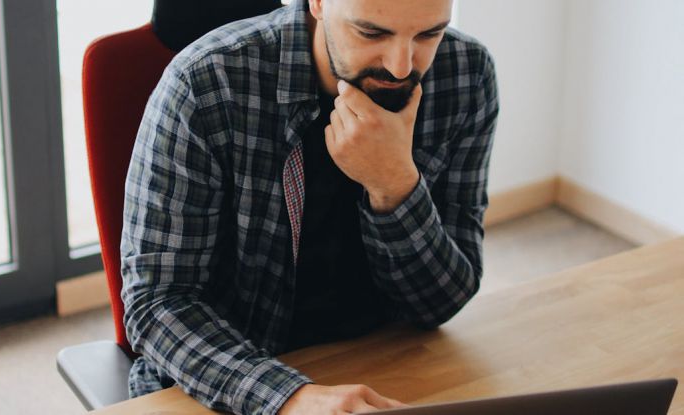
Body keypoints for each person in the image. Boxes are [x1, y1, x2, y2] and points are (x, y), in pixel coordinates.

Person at [120, 0, 499, 413]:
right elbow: (156, 305)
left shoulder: (467, 74)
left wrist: (394, 184)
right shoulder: (206, 82)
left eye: (429, 34)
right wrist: (289, 398)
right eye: (372, 33)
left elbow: (442, 303)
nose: (401, 67)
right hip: (225, 382)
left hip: (382, 363)